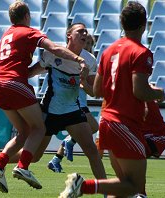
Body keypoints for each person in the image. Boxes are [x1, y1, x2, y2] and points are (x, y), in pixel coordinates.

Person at [0, 22, 106, 190]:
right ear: (69, 36)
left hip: (73, 111)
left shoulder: (90, 60)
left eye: (86, 32)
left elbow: (93, 91)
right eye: (80, 31)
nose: (85, 34)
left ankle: (107, 192)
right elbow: (28, 73)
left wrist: (83, 80)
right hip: (49, 113)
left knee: (92, 152)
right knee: (35, 157)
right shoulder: (52, 54)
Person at [59, 2, 165, 197]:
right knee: (134, 187)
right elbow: (140, 91)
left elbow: (98, 90)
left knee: (125, 187)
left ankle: (84, 186)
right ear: (144, 25)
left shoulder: (109, 51)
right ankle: (82, 186)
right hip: (124, 123)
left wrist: (84, 82)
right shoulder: (141, 53)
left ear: (122, 24)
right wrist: (159, 94)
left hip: (107, 122)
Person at [47, 33, 100, 172]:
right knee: (93, 127)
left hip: (79, 102)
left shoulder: (90, 61)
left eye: (90, 44)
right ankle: (66, 144)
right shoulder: (72, 58)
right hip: (74, 104)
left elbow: (93, 88)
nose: (88, 46)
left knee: (91, 129)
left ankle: (56, 159)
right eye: (86, 42)